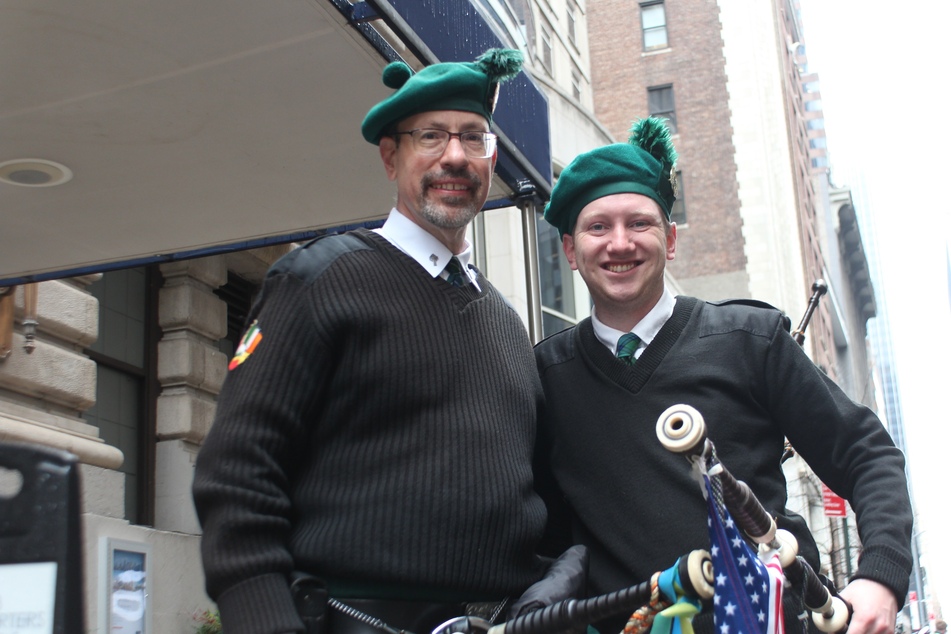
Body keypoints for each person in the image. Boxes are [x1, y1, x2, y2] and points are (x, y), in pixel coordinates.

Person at [192, 49, 551, 634]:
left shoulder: (510, 326)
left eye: (473, 137)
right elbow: (238, 474)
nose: (454, 156)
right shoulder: (318, 280)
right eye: (430, 136)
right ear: (391, 156)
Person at [533, 118, 913, 634]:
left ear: (669, 240)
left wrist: (881, 577)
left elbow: (866, 453)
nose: (619, 243)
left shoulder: (750, 339)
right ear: (570, 252)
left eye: (639, 224)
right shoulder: (545, 375)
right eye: (598, 227)